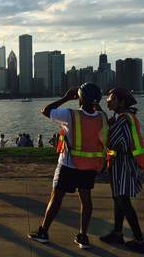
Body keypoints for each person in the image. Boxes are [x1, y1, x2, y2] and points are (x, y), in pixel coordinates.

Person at [28, 83, 108, 249]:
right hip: (89, 166)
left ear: (79, 98)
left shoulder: (70, 115)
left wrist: (65, 98)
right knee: (86, 200)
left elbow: (45, 111)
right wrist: (95, 103)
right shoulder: (102, 118)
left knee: (57, 197)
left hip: (68, 164)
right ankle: (83, 236)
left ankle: (43, 232)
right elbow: (100, 114)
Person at [98, 88, 144, 254]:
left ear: (122, 103)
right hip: (124, 162)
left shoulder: (123, 119)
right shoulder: (128, 117)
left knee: (123, 201)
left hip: (122, 164)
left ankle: (140, 241)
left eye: (112, 98)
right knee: (118, 199)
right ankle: (117, 234)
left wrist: (106, 127)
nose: (107, 100)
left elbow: (108, 140)